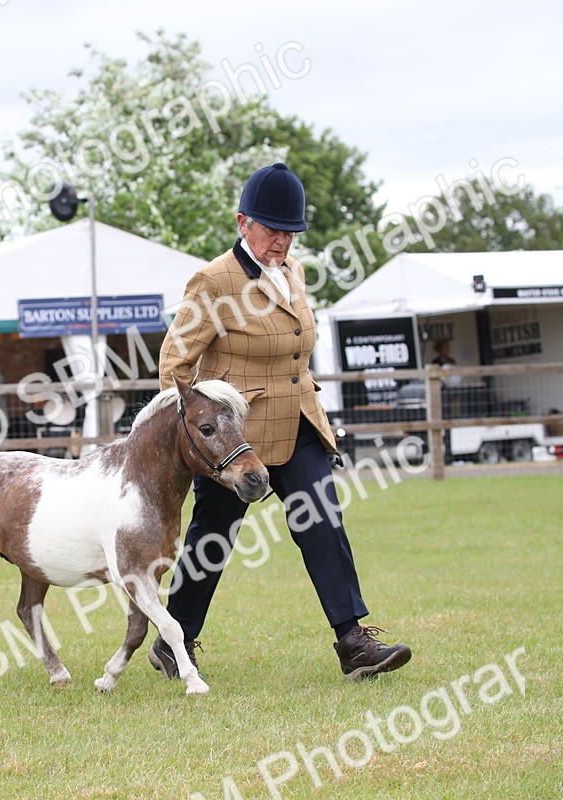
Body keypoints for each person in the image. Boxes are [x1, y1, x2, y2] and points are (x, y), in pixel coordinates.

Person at [151, 162, 412, 682]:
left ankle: (353, 641)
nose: (282, 242)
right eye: (272, 230)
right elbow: (173, 366)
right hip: (236, 439)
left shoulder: (292, 273)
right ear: (242, 222)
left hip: (297, 425)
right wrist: (201, 437)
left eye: (290, 233)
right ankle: (173, 639)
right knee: (213, 539)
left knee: (323, 524)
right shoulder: (213, 280)